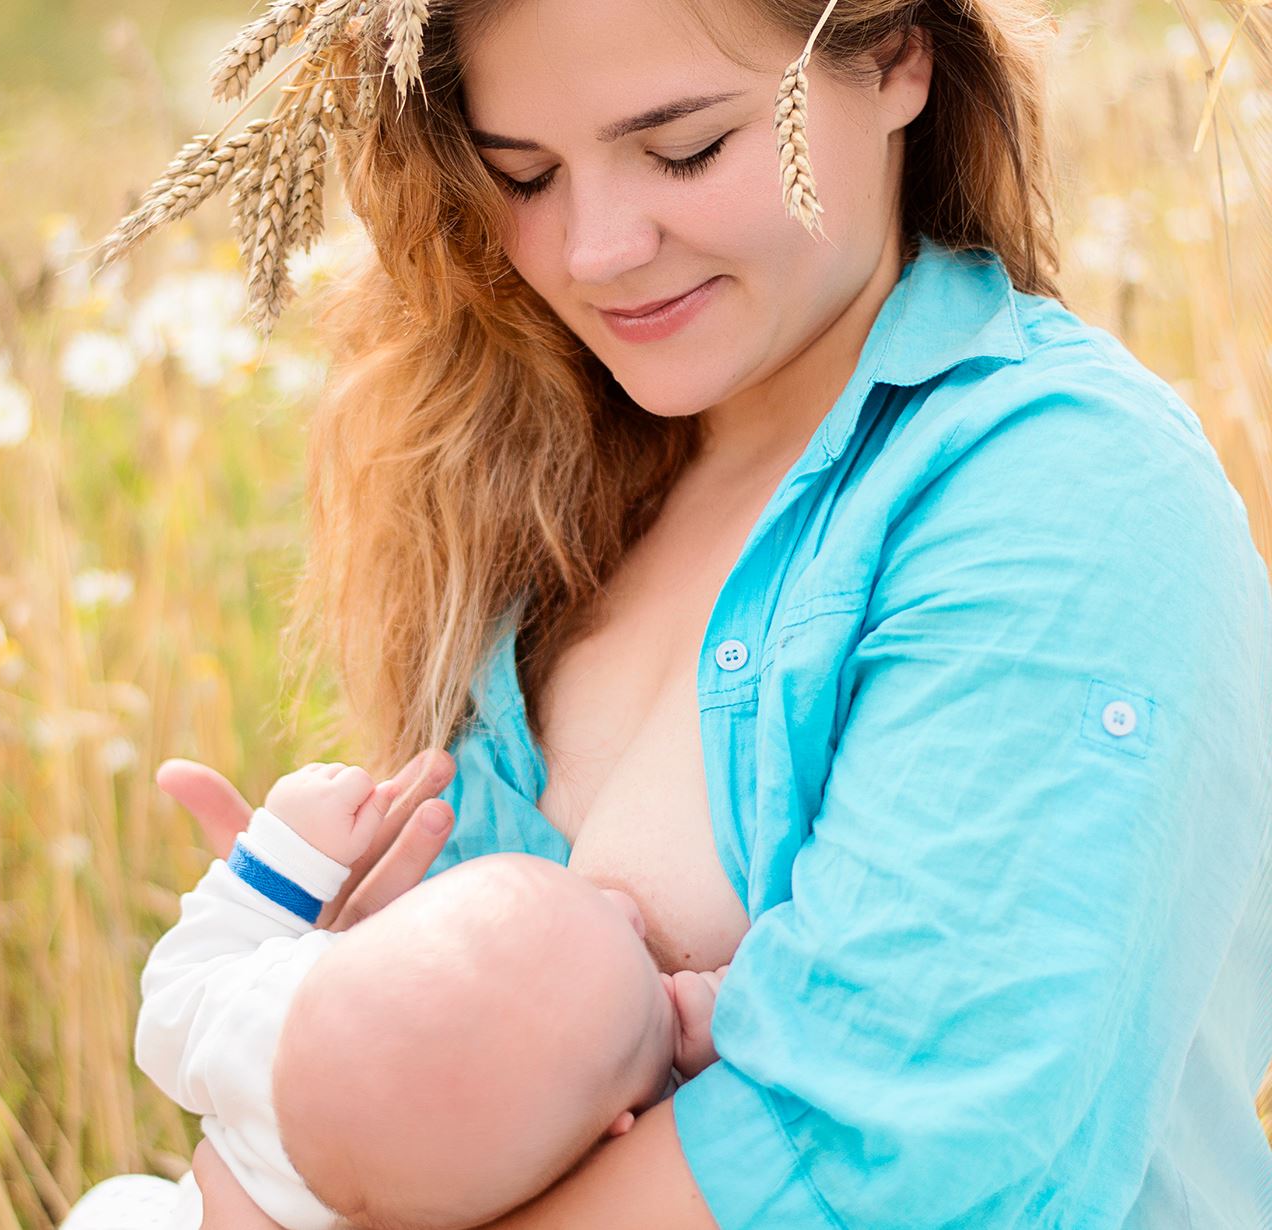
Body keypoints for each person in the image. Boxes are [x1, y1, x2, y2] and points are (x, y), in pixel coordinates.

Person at [69, 0, 1272, 1222]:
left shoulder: (1063, 494)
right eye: (521, 175)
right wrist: (318, 1005)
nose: (591, 249)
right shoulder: (544, 507)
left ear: (898, 56)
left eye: (682, 149)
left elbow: (889, 1162)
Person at [67, 759, 720, 1230]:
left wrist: (284, 859)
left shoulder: (275, 1016)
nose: (626, 908)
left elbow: (177, 992)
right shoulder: (504, 1176)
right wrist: (691, 1043)